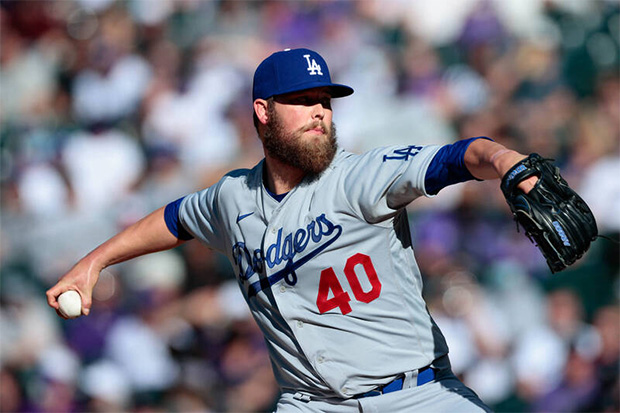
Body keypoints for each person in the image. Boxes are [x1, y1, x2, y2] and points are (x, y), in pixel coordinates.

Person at [48, 48, 538, 412]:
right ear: (263, 112)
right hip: (312, 404)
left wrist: (505, 161)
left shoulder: (357, 177)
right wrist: (94, 263)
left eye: (324, 99)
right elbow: (174, 219)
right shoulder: (231, 198)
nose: (319, 111)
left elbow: (456, 156)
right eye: (302, 101)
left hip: (416, 394)